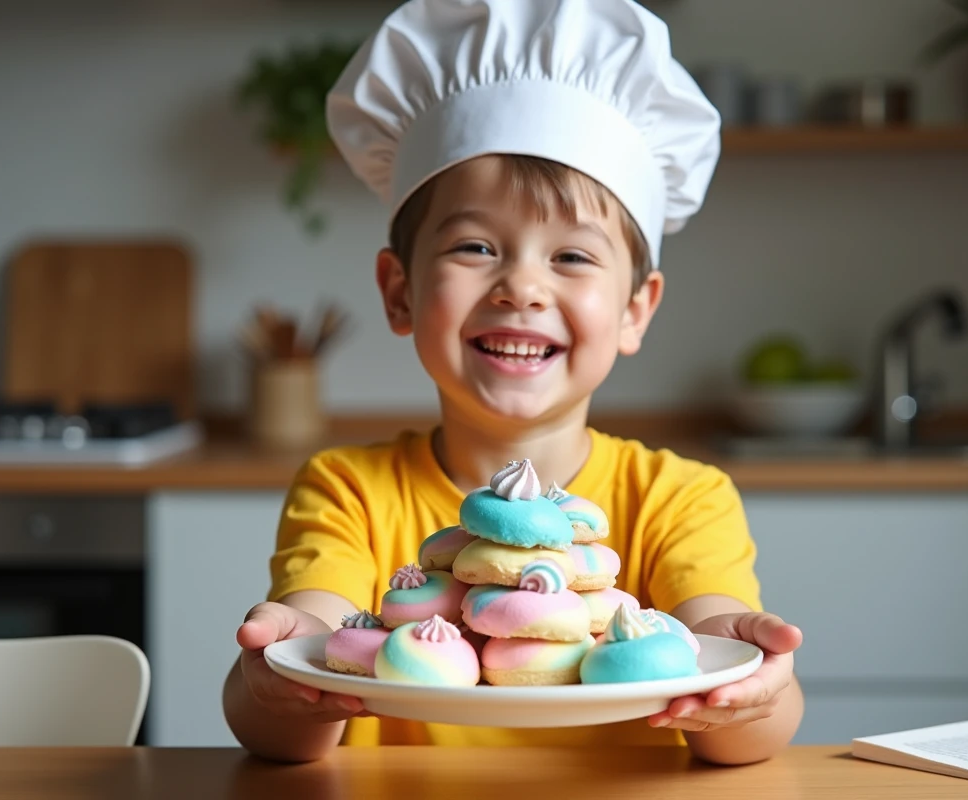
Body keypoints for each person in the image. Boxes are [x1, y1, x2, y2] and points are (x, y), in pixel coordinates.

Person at [223, 0, 803, 764]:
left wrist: (748, 683)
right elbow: (287, 708)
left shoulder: (681, 499)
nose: (521, 288)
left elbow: (748, 732)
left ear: (636, 310)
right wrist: (280, 669)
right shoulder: (346, 491)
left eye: (571, 257)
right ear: (399, 291)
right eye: (474, 246)